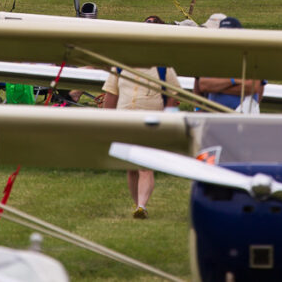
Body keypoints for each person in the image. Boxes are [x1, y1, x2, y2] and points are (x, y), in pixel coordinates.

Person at [101, 63, 180, 218]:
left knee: (145, 166)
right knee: (131, 167)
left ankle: (142, 205)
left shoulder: (164, 68)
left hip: (150, 123)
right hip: (124, 122)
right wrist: (105, 122)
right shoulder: (118, 66)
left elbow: (173, 96)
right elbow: (111, 95)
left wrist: (168, 119)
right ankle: (137, 205)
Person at [193, 15, 265, 113]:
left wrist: (216, 88)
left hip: (242, 116)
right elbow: (203, 85)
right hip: (215, 117)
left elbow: (252, 88)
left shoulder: (250, 57)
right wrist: (235, 81)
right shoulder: (212, 57)